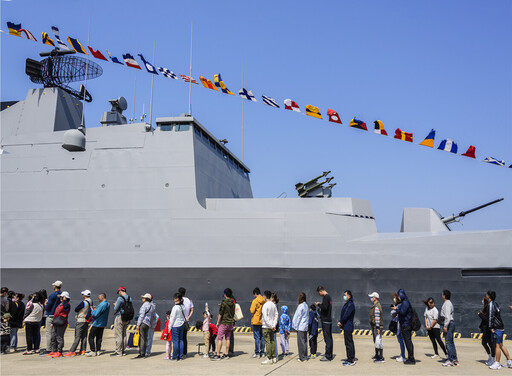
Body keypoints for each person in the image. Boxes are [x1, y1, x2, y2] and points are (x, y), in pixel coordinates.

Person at [488, 290, 512, 370]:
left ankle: (497, 363)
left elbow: (491, 316)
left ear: (489, 296)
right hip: (500, 326)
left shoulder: (491, 304)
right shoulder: (496, 304)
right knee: (501, 345)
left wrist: (491, 327)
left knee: (497, 346)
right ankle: (509, 362)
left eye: (486, 295)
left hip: (496, 327)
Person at [65, 290, 93, 357]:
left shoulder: (84, 302)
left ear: (84, 295)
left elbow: (76, 309)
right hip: (86, 320)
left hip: (80, 320)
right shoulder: (91, 301)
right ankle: (83, 350)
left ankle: (72, 350)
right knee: (84, 336)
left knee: (77, 336)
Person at [211, 288, 235, 361]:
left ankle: (218, 355)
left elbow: (220, 314)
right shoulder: (233, 303)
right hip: (230, 323)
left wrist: (218, 322)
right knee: (228, 338)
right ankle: (226, 354)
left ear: (225, 295)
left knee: (219, 338)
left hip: (224, 323)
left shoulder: (224, 302)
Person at [392, 289, 415, 365]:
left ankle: (411, 359)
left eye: (399, 295)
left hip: (406, 325)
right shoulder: (406, 302)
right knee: (408, 342)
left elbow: (402, 312)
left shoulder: (405, 303)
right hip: (405, 324)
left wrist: (396, 309)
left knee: (408, 342)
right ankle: (410, 357)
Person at [46, 291, 71, 358]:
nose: (60, 298)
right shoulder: (60, 304)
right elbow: (56, 314)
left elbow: (65, 309)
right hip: (55, 322)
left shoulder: (67, 304)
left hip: (62, 323)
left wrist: (65, 300)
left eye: (61, 297)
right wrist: (52, 323)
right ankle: (54, 350)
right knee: (53, 336)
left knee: (59, 337)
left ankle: (59, 351)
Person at [41, 280, 62, 355]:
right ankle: (56, 348)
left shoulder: (52, 295)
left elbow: (48, 306)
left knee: (49, 333)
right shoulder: (62, 295)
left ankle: (49, 349)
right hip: (59, 316)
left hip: (51, 315)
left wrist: (45, 304)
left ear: (55, 287)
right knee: (57, 333)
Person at [86, 293, 110, 357]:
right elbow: (102, 311)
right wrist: (97, 308)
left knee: (91, 336)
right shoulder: (107, 304)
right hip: (103, 323)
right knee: (99, 337)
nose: (98, 298)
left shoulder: (102, 304)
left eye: (99, 297)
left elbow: (95, 314)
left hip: (97, 323)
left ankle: (93, 351)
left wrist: (92, 310)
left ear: (102, 297)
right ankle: (98, 350)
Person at [134, 293, 155, 359]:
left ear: (146, 299)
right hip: (148, 323)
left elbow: (141, 315)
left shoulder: (144, 305)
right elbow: (152, 316)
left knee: (142, 338)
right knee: (145, 338)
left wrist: (138, 324)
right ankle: (145, 352)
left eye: (143, 298)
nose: (142, 299)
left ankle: (141, 353)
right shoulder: (152, 306)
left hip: (143, 323)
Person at [440, 290, 458, 367]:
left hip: (449, 324)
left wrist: (445, 326)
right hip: (451, 323)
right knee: (451, 342)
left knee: (448, 342)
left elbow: (447, 316)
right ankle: (454, 359)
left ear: (444, 296)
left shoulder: (447, 304)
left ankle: (450, 360)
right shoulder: (450, 303)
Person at [113, 287, 132, 357]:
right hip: (127, 318)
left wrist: (115, 305)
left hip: (119, 317)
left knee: (118, 334)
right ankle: (123, 350)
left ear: (121, 291)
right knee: (124, 334)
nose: (118, 294)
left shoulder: (120, 298)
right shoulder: (130, 298)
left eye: (119, 292)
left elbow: (116, 308)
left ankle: (118, 351)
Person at [338, 290, 356, 366]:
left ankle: (351, 360)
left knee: (349, 343)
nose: (344, 297)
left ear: (349, 296)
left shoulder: (350, 305)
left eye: (345, 295)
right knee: (348, 342)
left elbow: (346, 315)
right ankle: (350, 357)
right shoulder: (348, 304)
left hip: (348, 326)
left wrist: (341, 322)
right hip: (346, 326)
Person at [315, 286, 333, 361]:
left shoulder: (326, 297)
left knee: (327, 339)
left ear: (321, 291)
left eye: (319, 293)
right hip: (328, 320)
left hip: (325, 320)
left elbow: (325, 307)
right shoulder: (329, 297)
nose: (319, 295)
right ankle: (330, 354)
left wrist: (318, 304)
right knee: (329, 338)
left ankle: (327, 356)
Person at [261, 290, 278, 365]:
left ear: (265, 296)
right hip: (272, 326)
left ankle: (269, 358)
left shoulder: (265, 305)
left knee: (267, 342)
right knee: (272, 341)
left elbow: (265, 317)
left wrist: (271, 326)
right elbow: (276, 315)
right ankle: (274, 357)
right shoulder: (273, 304)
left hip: (266, 326)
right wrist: (274, 325)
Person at [478, 294, 495, 366]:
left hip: (487, 328)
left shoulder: (488, 308)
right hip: (485, 328)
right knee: (484, 343)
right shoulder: (485, 308)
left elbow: (486, 319)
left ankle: (492, 358)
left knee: (490, 343)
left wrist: (480, 315)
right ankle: (490, 356)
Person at [168, 292, 186, 361]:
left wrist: (169, 327)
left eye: (175, 298)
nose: (174, 299)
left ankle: (175, 356)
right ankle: (180, 356)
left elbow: (172, 318)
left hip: (175, 325)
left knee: (175, 341)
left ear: (177, 299)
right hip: (182, 324)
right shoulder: (183, 306)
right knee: (181, 340)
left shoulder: (175, 307)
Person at [292, 292, 309, 362]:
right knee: (305, 342)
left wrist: (296, 326)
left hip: (300, 327)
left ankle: (302, 357)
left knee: (300, 342)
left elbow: (298, 317)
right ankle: (305, 355)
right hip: (305, 326)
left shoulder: (300, 306)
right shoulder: (306, 306)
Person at [250, 287, 265, 358]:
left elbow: (252, 311)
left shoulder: (255, 301)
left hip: (256, 321)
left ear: (255, 293)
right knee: (262, 337)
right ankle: (263, 352)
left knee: (256, 337)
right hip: (263, 321)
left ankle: (257, 352)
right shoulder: (264, 300)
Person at [369, 292, 384, 362]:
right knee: (376, 341)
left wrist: (377, 328)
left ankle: (380, 357)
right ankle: (377, 354)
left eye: (372, 297)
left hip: (377, 327)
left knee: (378, 341)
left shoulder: (377, 306)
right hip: (375, 326)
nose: (371, 298)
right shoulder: (376, 305)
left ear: (375, 298)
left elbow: (377, 318)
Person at [178, 287, 194, 357]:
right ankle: (185, 352)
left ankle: (179, 353)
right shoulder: (189, 300)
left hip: (178, 321)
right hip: (186, 322)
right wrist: (188, 317)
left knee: (179, 338)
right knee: (184, 338)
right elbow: (192, 310)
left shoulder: (178, 300)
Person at [391, 292, 405, 362]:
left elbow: (394, 314)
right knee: (400, 341)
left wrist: (395, 310)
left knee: (401, 341)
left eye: (395, 297)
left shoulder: (400, 306)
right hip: (398, 326)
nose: (394, 299)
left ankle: (403, 356)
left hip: (400, 326)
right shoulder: (399, 305)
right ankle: (402, 354)